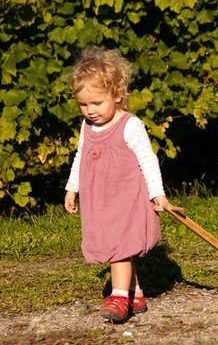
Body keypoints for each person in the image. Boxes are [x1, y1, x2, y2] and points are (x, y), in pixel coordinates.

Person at [64, 45, 171, 323]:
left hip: (126, 199)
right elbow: (81, 156)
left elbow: (148, 160)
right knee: (117, 244)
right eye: (83, 105)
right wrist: (72, 187)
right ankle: (136, 294)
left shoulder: (129, 125)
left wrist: (157, 194)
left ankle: (120, 296)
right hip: (100, 199)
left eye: (97, 103)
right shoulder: (87, 127)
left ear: (117, 94)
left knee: (118, 247)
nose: (90, 111)